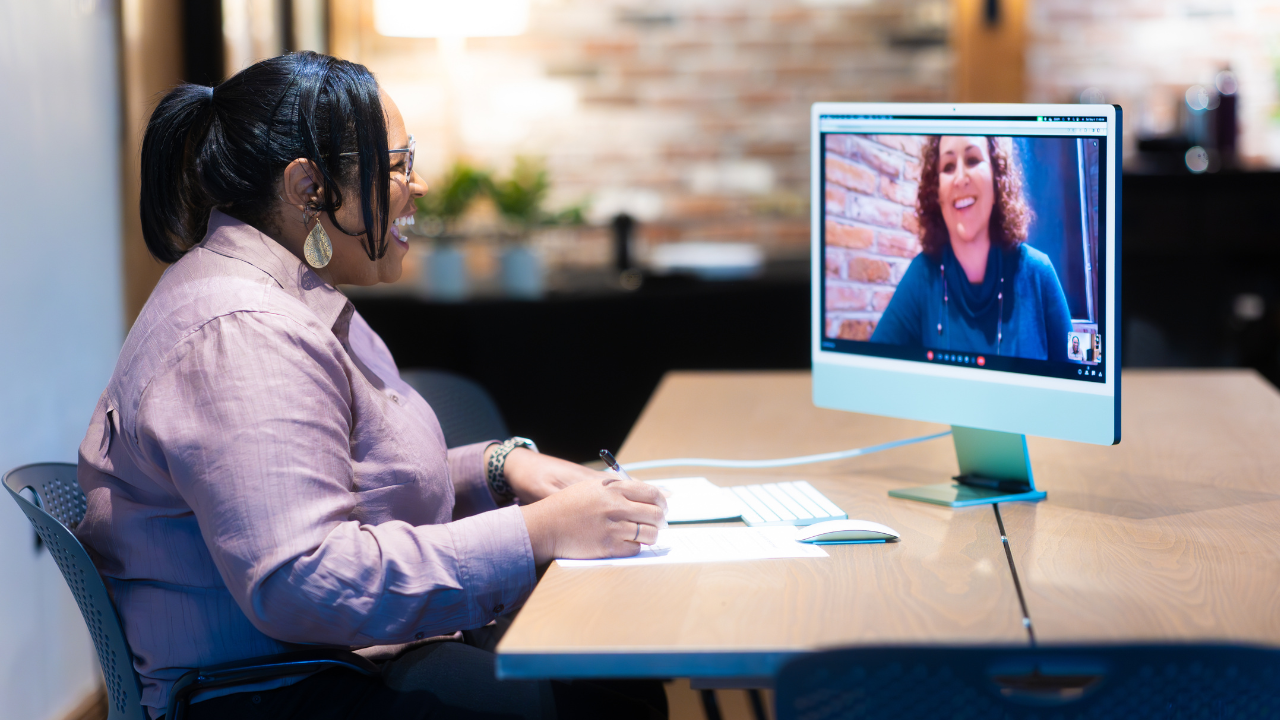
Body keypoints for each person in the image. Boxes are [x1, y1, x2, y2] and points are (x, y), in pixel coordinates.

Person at [75, 52, 668, 720]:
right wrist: (535, 533)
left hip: (319, 660)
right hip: (274, 692)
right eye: (396, 164)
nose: (418, 185)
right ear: (308, 189)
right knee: (606, 693)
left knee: (608, 670)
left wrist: (499, 468)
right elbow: (305, 581)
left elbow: (341, 479)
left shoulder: (284, 294)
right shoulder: (245, 334)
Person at [870, 136, 1073, 362]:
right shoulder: (922, 276)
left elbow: (1077, 386)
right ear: (937, 193)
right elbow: (872, 372)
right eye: (948, 167)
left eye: (973, 160)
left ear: (997, 181)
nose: (960, 178)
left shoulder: (1038, 273)